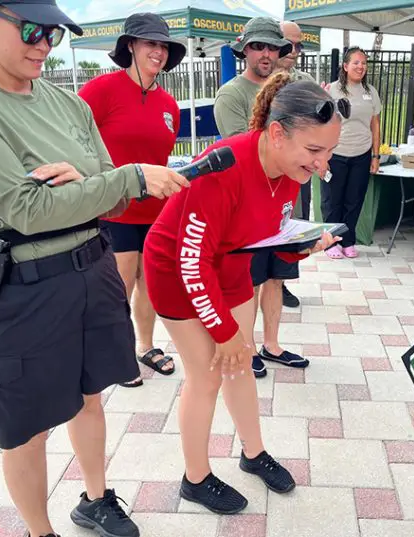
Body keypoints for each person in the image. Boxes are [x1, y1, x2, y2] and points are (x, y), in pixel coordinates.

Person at [0, 2, 189, 537]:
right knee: (27, 429)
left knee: (90, 396)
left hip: (92, 267)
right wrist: (116, 180)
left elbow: (110, 199)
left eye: (52, 33)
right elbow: (26, 210)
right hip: (23, 287)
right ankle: (39, 530)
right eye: (30, 30)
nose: (43, 44)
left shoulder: (67, 103)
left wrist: (89, 186)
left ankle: (96, 499)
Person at [142, 73, 343, 514]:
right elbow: (192, 263)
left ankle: (253, 453)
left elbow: (268, 236)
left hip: (230, 262)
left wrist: (302, 247)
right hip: (176, 270)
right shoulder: (223, 166)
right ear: (277, 133)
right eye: (314, 151)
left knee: (242, 361)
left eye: (329, 152)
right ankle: (195, 479)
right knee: (208, 373)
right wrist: (223, 331)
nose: (322, 164)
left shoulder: (290, 169)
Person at [78, 13, 185, 387]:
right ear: (130, 46)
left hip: (155, 211)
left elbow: (161, 158)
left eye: (163, 46)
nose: (158, 51)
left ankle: (145, 346)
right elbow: (74, 140)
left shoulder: (169, 105)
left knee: (149, 283)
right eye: (150, 43)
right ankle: (114, 355)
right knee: (119, 285)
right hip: (115, 208)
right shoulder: (101, 90)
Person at [215, 17, 307, 377]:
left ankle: (272, 344)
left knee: (276, 277)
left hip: (283, 203)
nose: (266, 54)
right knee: (248, 281)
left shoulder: (290, 90)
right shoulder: (232, 94)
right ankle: (247, 346)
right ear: (245, 51)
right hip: (247, 207)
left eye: (272, 47)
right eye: (258, 47)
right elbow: (243, 152)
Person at [323, 46, 382, 259]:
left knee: (354, 201)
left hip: (361, 154)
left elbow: (375, 125)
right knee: (333, 200)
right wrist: (322, 155)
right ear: (345, 66)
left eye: (364, 63)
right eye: (356, 62)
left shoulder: (370, 92)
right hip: (336, 154)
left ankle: (348, 241)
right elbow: (321, 123)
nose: (360, 67)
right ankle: (331, 242)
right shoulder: (331, 89)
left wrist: (375, 156)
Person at [276, 20, 315, 221]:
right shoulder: (256, 84)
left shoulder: (306, 81)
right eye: (287, 44)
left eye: (298, 46)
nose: (293, 51)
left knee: (299, 226)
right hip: (267, 175)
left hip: (300, 169)